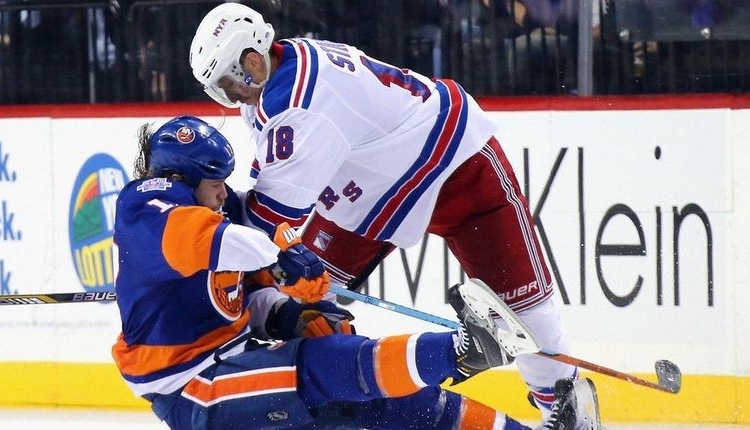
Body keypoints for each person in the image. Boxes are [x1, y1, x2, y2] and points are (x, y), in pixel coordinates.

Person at [188, 3, 591, 424]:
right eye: (216, 89)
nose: (227, 96)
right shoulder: (278, 75)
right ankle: (336, 395)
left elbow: (269, 217)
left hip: (450, 161)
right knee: (299, 297)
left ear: (252, 60)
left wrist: (195, 246)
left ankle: (566, 402)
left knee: (520, 299)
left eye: (226, 82)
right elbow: (269, 191)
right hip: (370, 193)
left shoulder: (297, 105)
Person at [110, 115, 599, 430]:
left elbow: (249, 303)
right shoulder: (147, 206)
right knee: (328, 367)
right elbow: (216, 242)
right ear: (182, 176)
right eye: (214, 183)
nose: (223, 193)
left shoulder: (224, 214)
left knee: (402, 404)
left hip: (235, 357)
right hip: (192, 390)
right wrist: (277, 256)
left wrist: (289, 316)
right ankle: (465, 352)